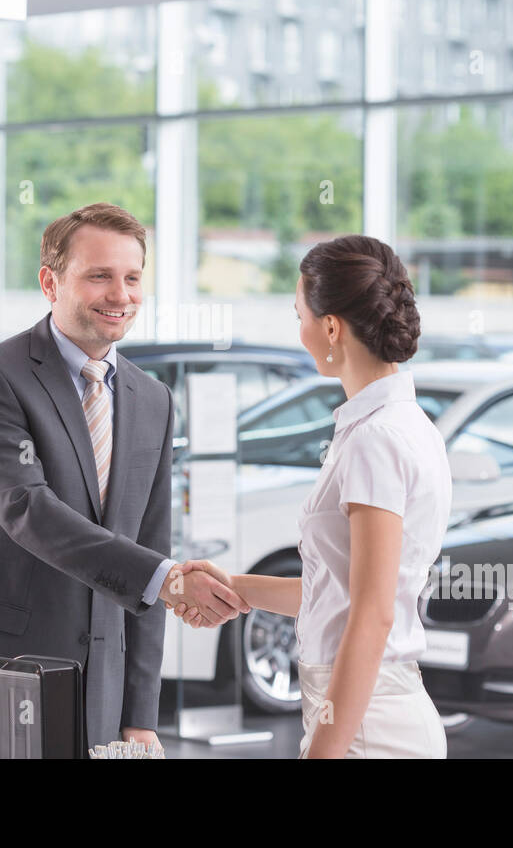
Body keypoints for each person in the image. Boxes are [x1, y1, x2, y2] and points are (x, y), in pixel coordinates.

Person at [0, 203, 246, 758]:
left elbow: (150, 548)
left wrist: (140, 713)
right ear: (49, 282)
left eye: (132, 278)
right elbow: (26, 509)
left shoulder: (152, 399)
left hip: (94, 698)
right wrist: (168, 578)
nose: (120, 295)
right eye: (99, 275)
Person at [170, 235, 453, 758]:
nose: (298, 330)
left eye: (298, 314)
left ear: (329, 327)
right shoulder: (398, 426)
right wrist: (235, 587)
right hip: (369, 713)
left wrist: (323, 750)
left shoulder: (377, 439)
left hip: (367, 727)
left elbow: (372, 615)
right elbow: (340, 594)